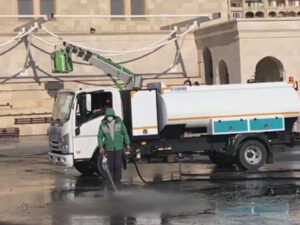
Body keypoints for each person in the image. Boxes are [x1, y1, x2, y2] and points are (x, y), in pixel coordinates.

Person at [97, 108, 130, 186]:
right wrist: (101, 146)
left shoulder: (119, 123)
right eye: (108, 116)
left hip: (119, 148)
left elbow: (125, 133)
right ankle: (112, 183)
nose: (109, 117)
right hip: (109, 148)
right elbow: (99, 137)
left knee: (118, 165)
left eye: (111, 116)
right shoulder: (102, 125)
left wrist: (127, 144)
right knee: (111, 166)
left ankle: (118, 182)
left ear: (113, 116)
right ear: (106, 116)